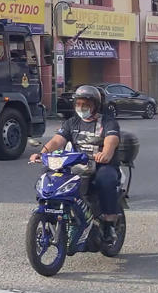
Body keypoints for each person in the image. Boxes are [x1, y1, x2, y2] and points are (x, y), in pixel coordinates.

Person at [30, 85, 122, 242]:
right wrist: (42, 153)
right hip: (76, 162)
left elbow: (111, 140)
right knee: (48, 173)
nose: (81, 108)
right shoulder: (72, 123)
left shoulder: (107, 122)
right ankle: (49, 210)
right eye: (78, 104)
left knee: (105, 180)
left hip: (101, 164)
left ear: (95, 106)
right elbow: (57, 140)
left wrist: (105, 154)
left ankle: (108, 225)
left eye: (85, 105)